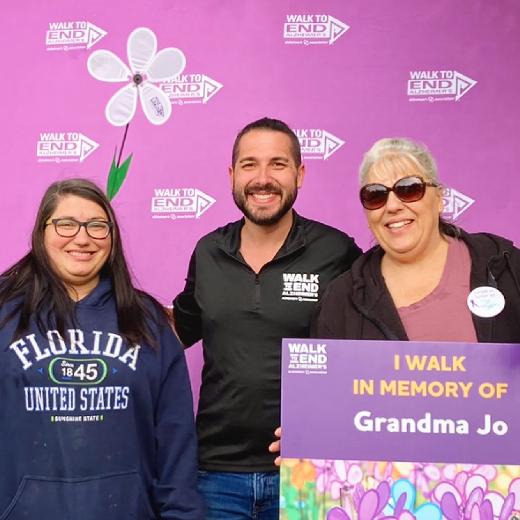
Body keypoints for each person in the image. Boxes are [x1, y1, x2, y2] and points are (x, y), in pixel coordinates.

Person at [173, 117, 361, 519]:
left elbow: (368, 351)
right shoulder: (208, 251)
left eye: (278, 164)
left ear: (300, 173)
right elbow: (175, 331)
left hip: (308, 470)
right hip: (215, 473)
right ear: (231, 175)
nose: (263, 178)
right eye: (249, 164)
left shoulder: (337, 251)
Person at [0, 179, 204, 519]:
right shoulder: (5, 316)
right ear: (42, 233)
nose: (82, 238)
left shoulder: (148, 322)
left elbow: (175, 441)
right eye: (66, 224)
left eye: (97, 226)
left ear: (112, 238)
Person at [312, 137, 520, 342]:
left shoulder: (505, 265)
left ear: (439, 199)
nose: (392, 206)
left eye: (409, 189)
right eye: (376, 195)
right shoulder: (342, 299)